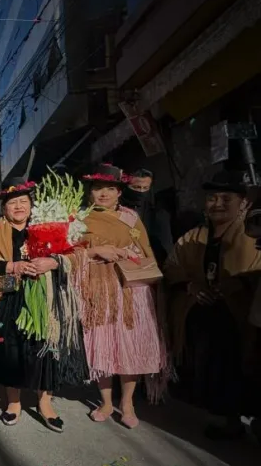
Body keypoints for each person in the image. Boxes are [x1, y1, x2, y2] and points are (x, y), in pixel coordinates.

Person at [0, 177, 87, 433]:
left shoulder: (51, 224)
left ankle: (45, 403)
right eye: (12, 203)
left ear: (32, 204)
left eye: (23, 201)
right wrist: (12, 266)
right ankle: (14, 403)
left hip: (48, 298)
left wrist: (53, 262)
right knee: (12, 351)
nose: (18, 207)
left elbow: (76, 254)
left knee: (46, 349)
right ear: (4, 207)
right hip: (10, 295)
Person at [164, 171, 261, 439]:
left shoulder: (253, 236)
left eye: (226, 198)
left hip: (237, 317)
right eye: (211, 198)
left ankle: (237, 421)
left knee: (237, 367)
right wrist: (191, 286)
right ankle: (223, 419)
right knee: (209, 367)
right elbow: (171, 267)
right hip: (200, 315)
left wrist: (236, 285)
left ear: (242, 203)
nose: (217, 203)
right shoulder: (193, 236)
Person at [76, 164, 168, 429]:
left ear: (119, 192)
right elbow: (73, 254)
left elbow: (146, 250)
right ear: (90, 193)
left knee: (130, 346)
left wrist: (130, 254)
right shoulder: (80, 219)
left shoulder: (130, 217)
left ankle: (127, 403)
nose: (103, 194)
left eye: (109, 189)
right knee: (102, 343)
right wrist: (97, 252)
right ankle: (105, 402)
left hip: (132, 289)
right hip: (98, 287)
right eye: (97, 189)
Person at [123, 168, 174, 265]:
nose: (141, 192)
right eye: (136, 187)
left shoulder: (158, 214)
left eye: (145, 188)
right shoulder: (116, 210)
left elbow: (166, 245)